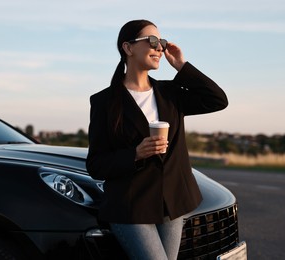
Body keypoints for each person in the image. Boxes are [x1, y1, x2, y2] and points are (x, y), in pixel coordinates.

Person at [86, 19, 228, 260]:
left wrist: (181, 66)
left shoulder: (170, 94)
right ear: (128, 48)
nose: (160, 47)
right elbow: (96, 165)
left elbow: (217, 100)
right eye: (152, 41)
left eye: (161, 41)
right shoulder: (104, 102)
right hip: (130, 207)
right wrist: (135, 154)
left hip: (172, 204)